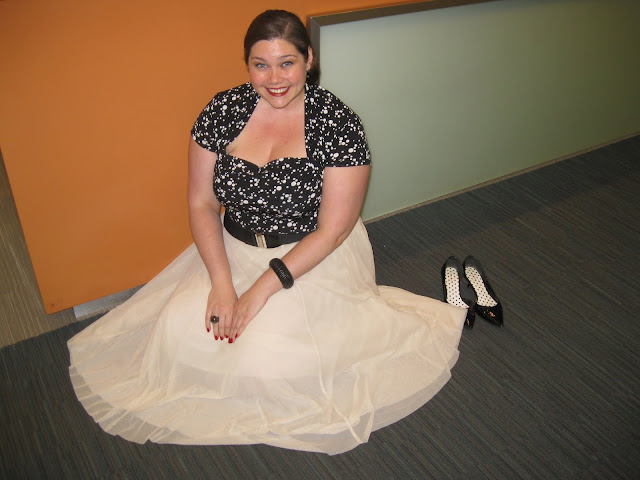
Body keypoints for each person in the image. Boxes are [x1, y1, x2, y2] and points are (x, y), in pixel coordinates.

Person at [68, 10, 466, 455]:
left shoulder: (338, 123)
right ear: (247, 65)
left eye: (286, 63)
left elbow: (333, 231)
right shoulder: (222, 111)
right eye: (261, 65)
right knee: (179, 335)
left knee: (272, 359)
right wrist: (222, 283)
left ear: (309, 59)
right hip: (231, 250)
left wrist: (258, 291)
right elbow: (201, 204)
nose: (274, 78)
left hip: (308, 257)